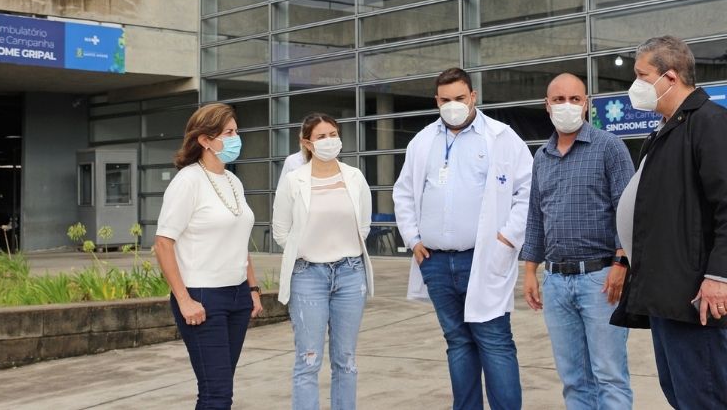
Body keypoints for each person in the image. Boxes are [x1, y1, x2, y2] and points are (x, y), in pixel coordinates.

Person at [393, 67, 533, 410]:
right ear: (436, 101)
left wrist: (505, 240)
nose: (453, 105)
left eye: (459, 98)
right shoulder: (423, 140)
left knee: (495, 341)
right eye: (445, 100)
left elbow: (527, 191)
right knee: (457, 341)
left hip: (483, 258)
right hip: (436, 261)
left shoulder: (501, 137)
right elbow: (404, 193)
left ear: (473, 97)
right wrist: (413, 239)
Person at [612, 36, 727, 409]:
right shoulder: (665, 130)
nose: (635, 85)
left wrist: (719, 278)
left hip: (696, 299)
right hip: (666, 295)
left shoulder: (709, 123)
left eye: (641, 75)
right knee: (680, 394)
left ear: (671, 77)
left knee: (704, 397)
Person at [521, 73, 634, 409]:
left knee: (609, 376)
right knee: (573, 380)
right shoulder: (542, 156)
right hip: (556, 282)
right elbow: (535, 217)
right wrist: (530, 270)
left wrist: (621, 262)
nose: (566, 106)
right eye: (558, 99)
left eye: (574, 99)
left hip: (601, 280)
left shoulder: (609, 147)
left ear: (586, 104)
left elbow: (628, 210)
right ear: (547, 105)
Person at [154, 102, 263, 410]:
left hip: (238, 296)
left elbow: (240, 240)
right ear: (204, 140)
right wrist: (185, 299)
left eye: (236, 131)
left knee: (221, 385)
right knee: (216, 394)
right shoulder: (187, 181)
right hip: (203, 298)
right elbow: (163, 243)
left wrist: (252, 289)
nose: (235, 138)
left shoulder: (233, 181)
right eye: (228, 133)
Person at [272, 113, 374, 410]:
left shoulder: (354, 177)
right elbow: (281, 231)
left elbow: (363, 226)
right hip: (307, 275)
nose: (329, 141)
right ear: (306, 142)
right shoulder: (294, 181)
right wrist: (308, 249)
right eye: (321, 136)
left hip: (350, 273)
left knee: (346, 361)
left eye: (333, 134)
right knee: (308, 360)